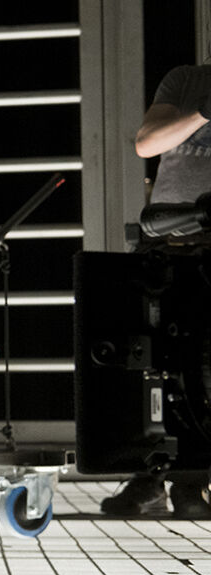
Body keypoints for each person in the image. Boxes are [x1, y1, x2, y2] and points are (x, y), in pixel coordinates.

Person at [100, 64, 211, 519]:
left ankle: (191, 479)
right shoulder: (186, 80)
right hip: (166, 237)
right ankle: (150, 475)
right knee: (149, 358)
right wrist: (203, 112)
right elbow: (147, 143)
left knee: (202, 366)